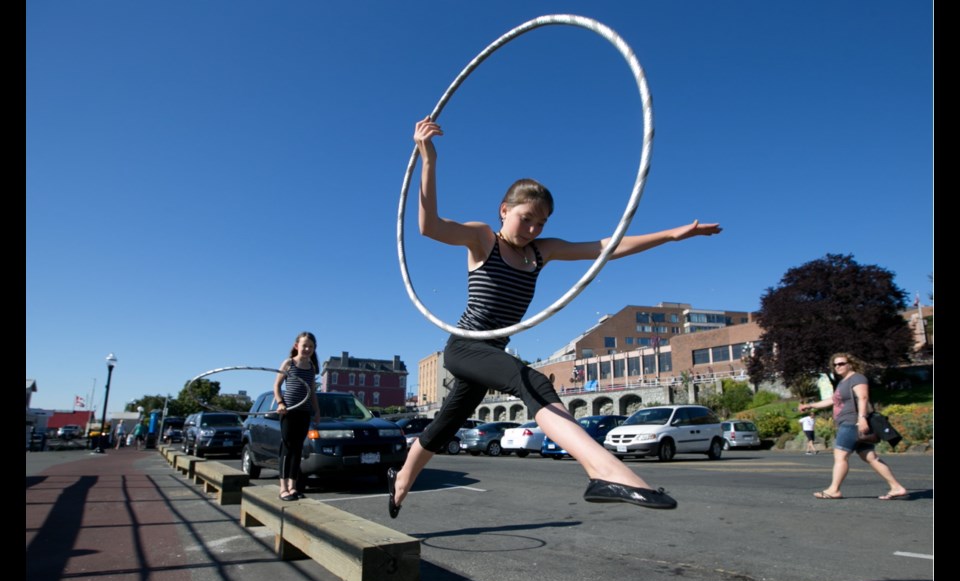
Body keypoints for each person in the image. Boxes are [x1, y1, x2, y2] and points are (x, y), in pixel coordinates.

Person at [387, 117, 723, 518]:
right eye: (525, 218)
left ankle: (401, 480)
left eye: (541, 223)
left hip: (492, 351)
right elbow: (429, 227)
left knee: (443, 425)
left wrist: (671, 235)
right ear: (504, 210)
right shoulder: (483, 239)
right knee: (534, 382)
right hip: (465, 347)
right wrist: (429, 160)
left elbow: (607, 247)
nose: (532, 228)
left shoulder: (540, 252)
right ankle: (604, 471)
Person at [799, 353, 908, 500]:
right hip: (853, 424)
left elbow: (863, 397)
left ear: (850, 364)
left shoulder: (857, 378)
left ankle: (834, 490)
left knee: (840, 456)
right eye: (835, 364)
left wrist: (861, 418)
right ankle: (896, 487)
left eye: (841, 363)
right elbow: (832, 400)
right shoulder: (844, 382)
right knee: (870, 457)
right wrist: (810, 405)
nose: (838, 366)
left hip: (851, 424)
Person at [273, 332, 322, 501]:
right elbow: (277, 386)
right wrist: (280, 403)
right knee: (287, 448)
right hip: (289, 411)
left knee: (297, 449)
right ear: (296, 346)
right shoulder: (289, 363)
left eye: (311, 346)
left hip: (304, 412)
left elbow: (312, 392)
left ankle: (293, 487)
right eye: (304, 345)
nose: (307, 349)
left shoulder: (312, 368)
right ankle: (283, 488)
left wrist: (316, 411)